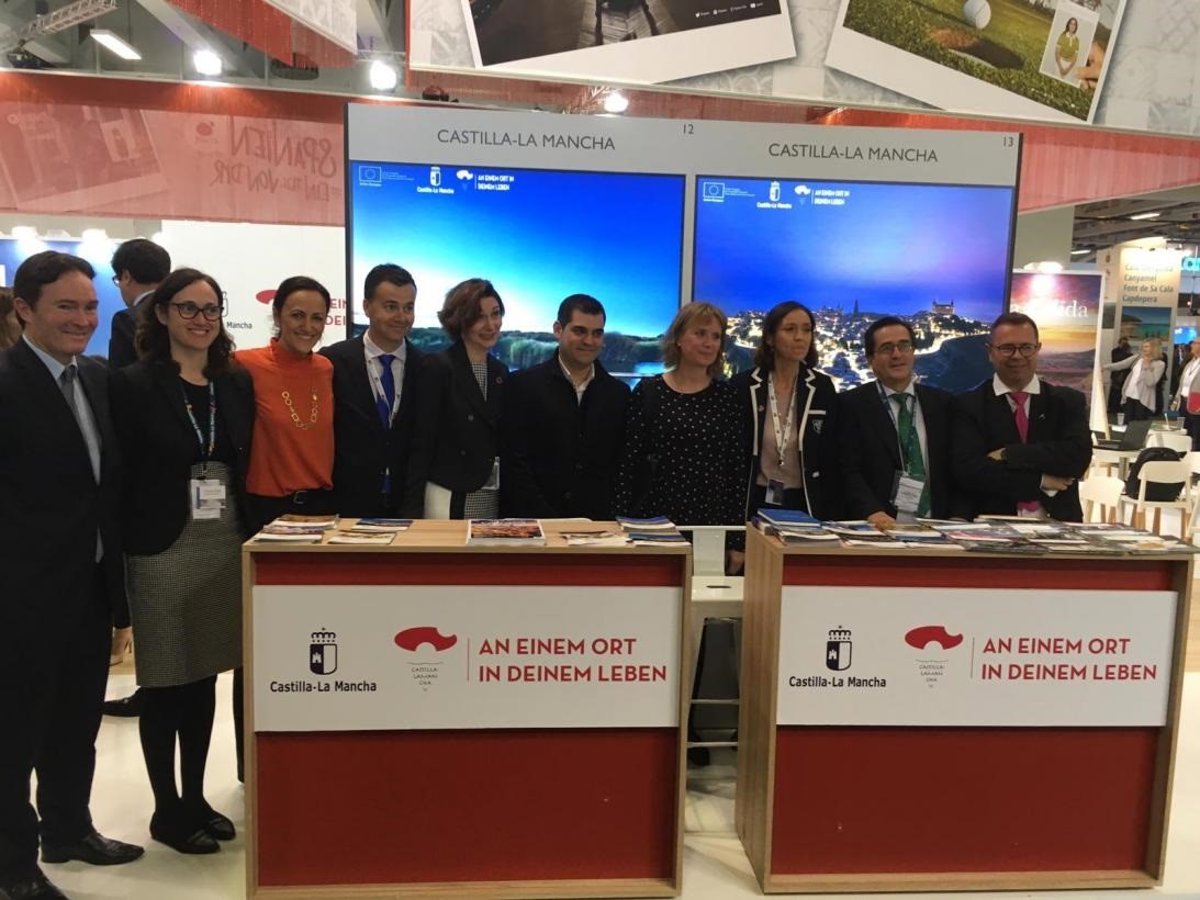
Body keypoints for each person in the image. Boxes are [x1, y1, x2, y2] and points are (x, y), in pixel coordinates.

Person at [0, 251, 144, 900]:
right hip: (20, 595)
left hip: (88, 588)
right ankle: (12, 865)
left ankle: (68, 828)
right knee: (14, 733)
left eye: (89, 306)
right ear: (23, 309)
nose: (83, 319)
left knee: (75, 722)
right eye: (66, 306)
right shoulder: (6, 383)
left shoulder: (98, 378)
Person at [110, 269, 254, 855]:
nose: (201, 319)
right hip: (161, 547)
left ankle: (195, 798)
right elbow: (119, 477)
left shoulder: (232, 382)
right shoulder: (132, 384)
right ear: (164, 313)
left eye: (211, 309)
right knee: (166, 681)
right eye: (189, 308)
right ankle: (166, 809)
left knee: (205, 678)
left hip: (223, 543)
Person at [615, 302, 747, 560]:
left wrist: (736, 541)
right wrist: (620, 523)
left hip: (710, 523)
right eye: (700, 333)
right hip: (651, 519)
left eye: (716, 336)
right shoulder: (649, 392)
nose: (709, 343)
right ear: (678, 338)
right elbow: (628, 463)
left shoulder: (728, 398)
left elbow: (735, 473)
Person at [951, 312, 1092, 521]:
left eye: (1026, 347)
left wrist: (1010, 454)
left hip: (1059, 526)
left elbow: (1077, 458)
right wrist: (1040, 480)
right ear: (990, 352)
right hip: (990, 526)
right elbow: (970, 471)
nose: (1017, 356)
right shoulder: (968, 405)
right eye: (1007, 348)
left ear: (1038, 349)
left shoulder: (1067, 402)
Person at [500, 294, 630, 519]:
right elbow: (514, 463)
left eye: (597, 333)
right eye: (580, 331)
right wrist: (548, 521)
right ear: (558, 330)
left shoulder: (618, 394)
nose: (589, 341)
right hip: (533, 524)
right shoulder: (522, 385)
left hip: (598, 527)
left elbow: (620, 466)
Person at [837, 316, 967, 526]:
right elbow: (846, 470)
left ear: (913, 352)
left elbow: (960, 468)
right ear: (870, 359)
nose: (897, 354)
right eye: (886, 348)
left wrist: (957, 517)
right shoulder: (850, 405)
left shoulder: (944, 404)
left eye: (904, 346)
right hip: (880, 527)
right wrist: (872, 513)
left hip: (939, 526)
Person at [321, 264, 424, 518]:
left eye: (408, 307)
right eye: (391, 306)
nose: (402, 317)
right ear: (367, 307)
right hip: (346, 507)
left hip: (408, 508)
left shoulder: (427, 367)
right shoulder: (332, 361)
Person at [235, 276, 336, 529]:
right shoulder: (245, 364)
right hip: (267, 508)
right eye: (297, 315)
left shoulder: (326, 369)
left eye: (317, 318)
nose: (308, 326)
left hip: (321, 506)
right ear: (277, 315)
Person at [408, 278, 508, 519]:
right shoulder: (438, 367)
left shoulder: (500, 371)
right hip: (449, 493)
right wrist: (411, 510)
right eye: (479, 317)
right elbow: (421, 444)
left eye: (495, 314)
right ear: (460, 320)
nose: (491, 325)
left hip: (492, 494)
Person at [730, 301, 837, 525]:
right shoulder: (743, 385)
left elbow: (832, 454)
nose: (800, 337)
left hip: (805, 501)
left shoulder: (822, 387)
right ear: (770, 338)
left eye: (807, 330)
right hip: (754, 499)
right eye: (790, 329)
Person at [108, 239, 171, 368]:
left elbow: (121, 374)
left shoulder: (126, 319)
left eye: (118, 279)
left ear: (126, 276)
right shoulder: (183, 311)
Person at [1104, 338, 1165, 422]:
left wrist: (1147, 367)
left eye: (1147, 347)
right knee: (1127, 422)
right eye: (1143, 346)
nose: (1144, 349)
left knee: (1138, 425)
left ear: (1154, 348)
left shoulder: (1160, 364)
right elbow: (1121, 364)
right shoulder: (1137, 358)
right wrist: (1105, 367)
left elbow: (1150, 382)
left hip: (1143, 400)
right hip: (1129, 396)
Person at [1171, 338, 1200, 450]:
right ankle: (1184, 454)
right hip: (1184, 401)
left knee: (1196, 434)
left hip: (1197, 402)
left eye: (1196, 343)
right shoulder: (1190, 363)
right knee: (1184, 432)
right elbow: (1182, 384)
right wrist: (1176, 400)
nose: (1192, 345)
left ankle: (1195, 457)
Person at [1107, 335, 1132, 416]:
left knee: (1123, 392)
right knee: (1114, 392)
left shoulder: (1129, 353)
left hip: (1125, 374)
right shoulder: (1115, 351)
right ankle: (1113, 408)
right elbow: (1116, 361)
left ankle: (1121, 408)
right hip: (1116, 374)